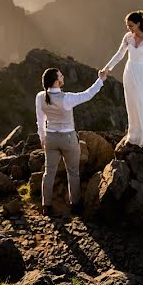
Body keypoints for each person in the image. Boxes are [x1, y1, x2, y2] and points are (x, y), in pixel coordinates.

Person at [35, 67, 108, 216]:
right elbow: (88, 94)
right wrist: (100, 80)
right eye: (61, 75)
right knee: (73, 173)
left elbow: (40, 121)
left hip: (51, 138)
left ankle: (46, 206)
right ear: (57, 81)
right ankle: (75, 205)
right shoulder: (67, 98)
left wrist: (42, 139)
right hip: (68, 139)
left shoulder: (40, 97)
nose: (63, 76)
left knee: (49, 173)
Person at [103, 10, 143, 147]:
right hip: (129, 72)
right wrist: (106, 68)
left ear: (138, 23)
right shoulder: (127, 37)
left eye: (130, 25)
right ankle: (135, 133)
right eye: (127, 26)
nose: (128, 28)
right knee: (132, 103)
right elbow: (119, 54)